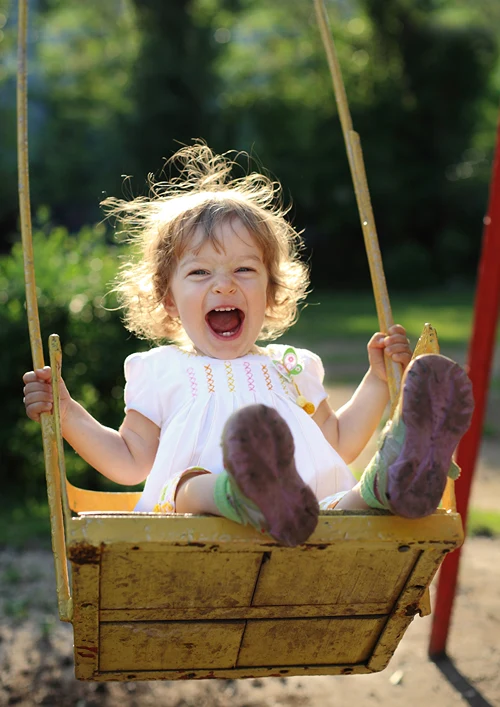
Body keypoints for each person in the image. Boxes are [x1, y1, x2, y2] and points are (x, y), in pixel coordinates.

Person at [22, 144, 474, 547]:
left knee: (340, 503)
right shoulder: (161, 369)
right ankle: (242, 494)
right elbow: (128, 462)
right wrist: (66, 411)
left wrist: (377, 381)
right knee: (184, 485)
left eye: (244, 271)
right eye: (200, 273)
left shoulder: (292, 367)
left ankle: (391, 480)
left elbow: (338, 443)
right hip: (195, 530)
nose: (224, 286)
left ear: (271, 291)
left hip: (304, 524)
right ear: (168, 299)